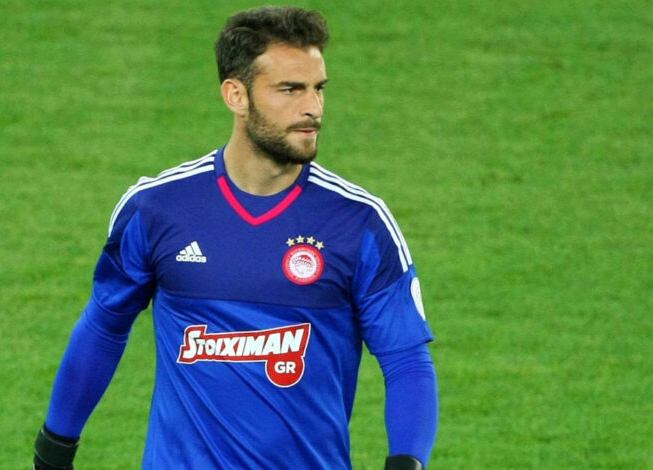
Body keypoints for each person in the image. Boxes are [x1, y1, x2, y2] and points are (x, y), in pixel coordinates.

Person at [33, 6, 438, 470]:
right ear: (236, 95)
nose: (313, 107)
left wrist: (407, 463)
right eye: (290, 89)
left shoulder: (359, 222)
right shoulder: (158, 209)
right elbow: (105, 325)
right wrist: (54, 450)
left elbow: (406, 361)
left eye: (318, 88)